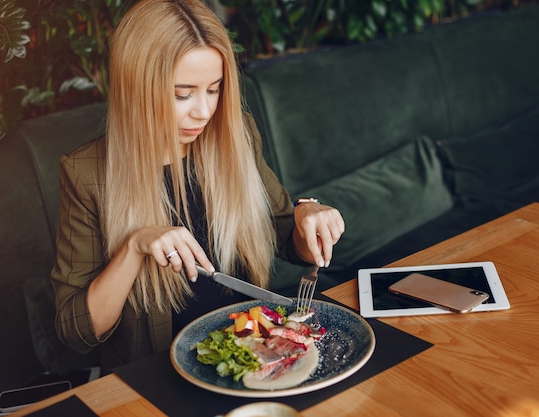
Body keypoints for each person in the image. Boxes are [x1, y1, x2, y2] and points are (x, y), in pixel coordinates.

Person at [51, 0, 345, 370]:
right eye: (182, 93)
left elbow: (285, 234)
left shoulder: (235, 136)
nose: (204, 111)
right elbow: (75, 333)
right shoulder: (86, 174)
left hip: (255, 357)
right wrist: (134, 246)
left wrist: (308, 215)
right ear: (136, 88)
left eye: (214, 89)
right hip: (161, 376)